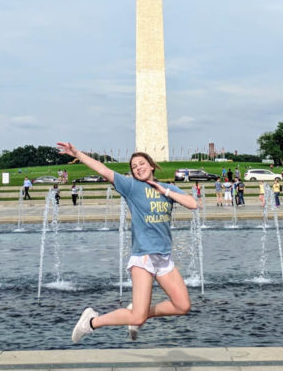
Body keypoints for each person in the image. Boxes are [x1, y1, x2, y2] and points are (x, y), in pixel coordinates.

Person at [57, 142, 198, 344]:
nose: (138, 168)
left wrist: (164, 191)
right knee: (137, 317)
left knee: (182, 306)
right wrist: (78, 154)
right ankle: (91, 322)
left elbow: (193, 204)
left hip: (164, 258)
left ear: (151, 165)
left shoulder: (168, 188)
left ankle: (135, 313)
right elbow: (103, 170)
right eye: (134, 166)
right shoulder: (131, 187)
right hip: (144, 258)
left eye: (141, 164)